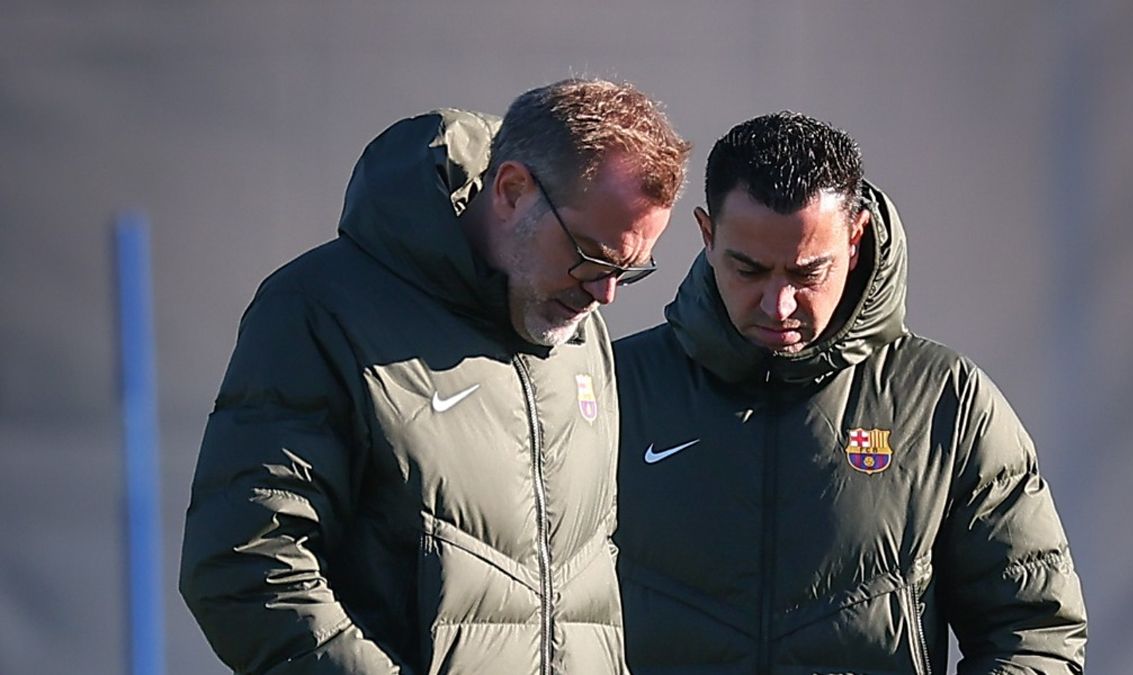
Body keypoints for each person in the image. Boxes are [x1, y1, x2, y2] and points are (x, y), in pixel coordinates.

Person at [179, 78, 690, 675]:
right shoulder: (320, 310)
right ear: (512, 190)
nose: (604, 294)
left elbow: (584, 581)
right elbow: (245, 564)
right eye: (592, 255)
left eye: (629, 271)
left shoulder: (579, 329)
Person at [613, 112, 1086, 674]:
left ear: (855, 239)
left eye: (808, 273)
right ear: (708, 235)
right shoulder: (614, 387)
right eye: (750, 269)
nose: (778, 305)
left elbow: (1034, 630)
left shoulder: (944, 400)